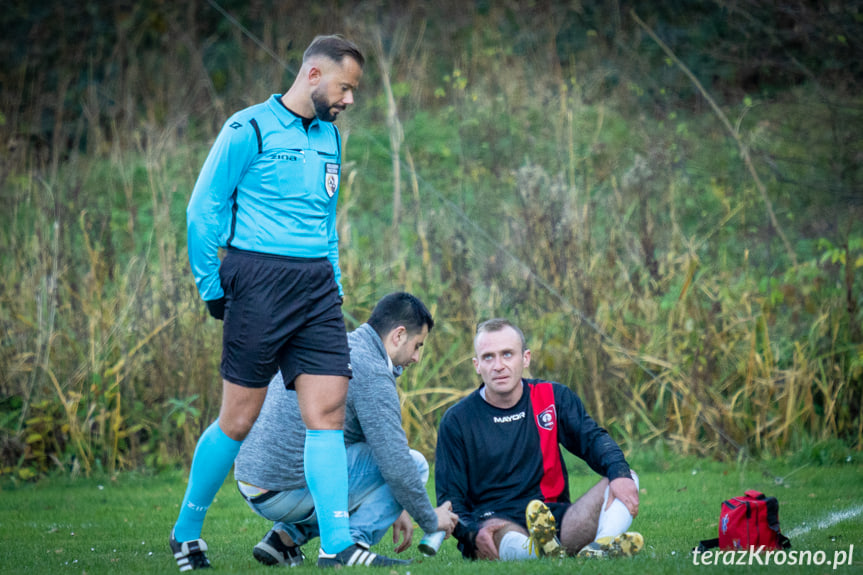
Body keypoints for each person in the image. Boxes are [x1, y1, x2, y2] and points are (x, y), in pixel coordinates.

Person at [171, 35, 365, 571]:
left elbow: (328, 221)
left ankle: (335, 546)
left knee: (326, 412)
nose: (348, 100)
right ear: (312, 75)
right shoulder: (247, 128)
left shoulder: (331, 137)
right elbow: (202, 210)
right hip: (255, 279)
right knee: (238, 417)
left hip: (316, 286)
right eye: (344, 88)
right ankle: (186, 531)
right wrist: (211, 286)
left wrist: (336, 280)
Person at [234, 292, 459, 567]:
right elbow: (396, 463)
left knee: (383, 465)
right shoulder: (371, 369)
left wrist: (395, 505)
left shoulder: (340, 347)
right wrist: (429, 518)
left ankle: (284, 538)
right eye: (417, 345)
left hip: (252, 483)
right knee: (416, 464)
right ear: (398, 335)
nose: (416, 358)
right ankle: (345, 547)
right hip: (285, 487)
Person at [434, 318, 643, 561]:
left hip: (558, 520)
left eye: (507, 354)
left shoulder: (553, 397)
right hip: (496, 522)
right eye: (488, 357)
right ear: (477, 365)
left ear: (525, 358)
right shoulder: (457, 420)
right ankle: (538, 552)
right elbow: (450, 501)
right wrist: (471, 534)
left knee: (626, 476)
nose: (498, 365)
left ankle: (602, 544)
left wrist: (619, 472)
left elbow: (594, 440)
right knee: (507, 537)